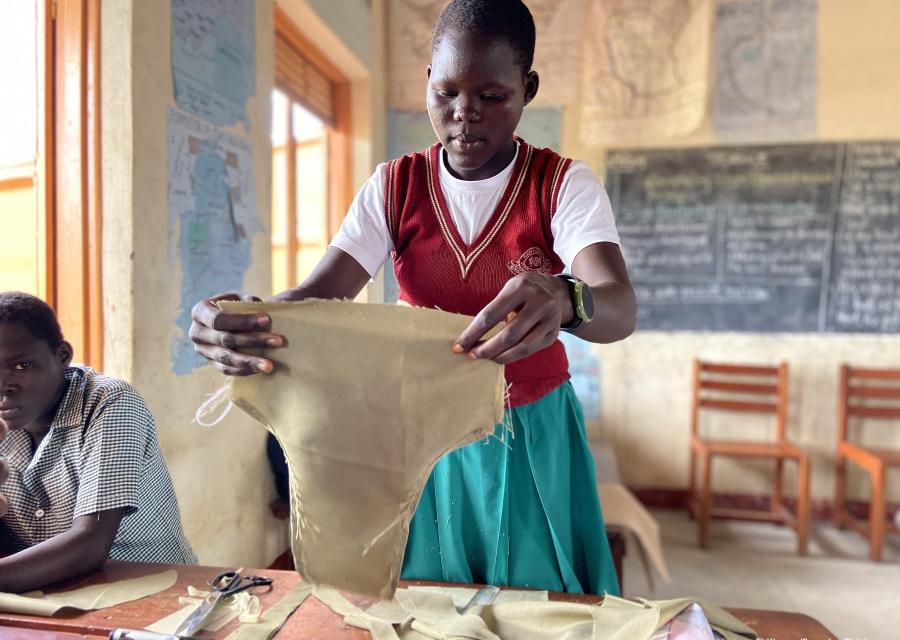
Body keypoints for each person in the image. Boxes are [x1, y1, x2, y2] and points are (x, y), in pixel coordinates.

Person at [190, 0, 635, 595]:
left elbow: (619, 307)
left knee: (537, 600)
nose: (464, 115)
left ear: (527, 89)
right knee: (425, 596)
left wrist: (567, 297)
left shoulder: (560, 185)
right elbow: (317, 303)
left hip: (528, 427)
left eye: (492, 96)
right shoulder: (395, 187)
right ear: (427, 82)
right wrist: (242, 321)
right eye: (446, 92)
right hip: (418, 429)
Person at [0, 292, 196, 592]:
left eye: (22, 365)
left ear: (62, 356)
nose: (4, 386)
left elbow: (90, 544)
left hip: (151, 588)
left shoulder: (110, 402)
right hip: (44, 593)